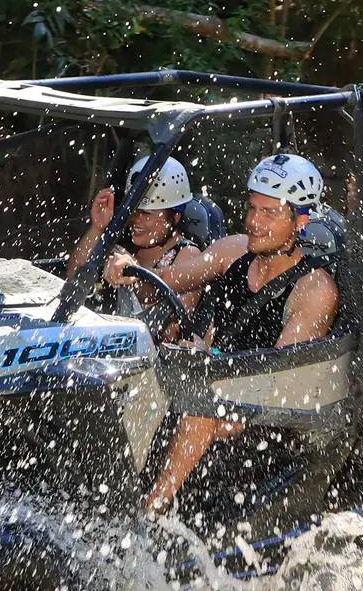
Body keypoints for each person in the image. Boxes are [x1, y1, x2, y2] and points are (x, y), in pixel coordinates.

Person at [106, 152, 339, 515]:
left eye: (269, 213)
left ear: (300, 221)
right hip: (211, 388)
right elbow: (165, 281)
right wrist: (128, 265)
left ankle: (151, 513)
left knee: (205, 404)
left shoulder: (315, 290)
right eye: (252, 208)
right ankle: (107, 490)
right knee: (138, 373)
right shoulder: (233, 250)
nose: (254, 222)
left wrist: (212, 368)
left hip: (262, 419)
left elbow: (277, 382)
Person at [67, 154, 200, 310]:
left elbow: (173, 322)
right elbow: (73, 279)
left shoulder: (187, 254)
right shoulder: (122, 243)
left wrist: (134, 272)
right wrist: (97, 228)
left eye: (146, 213)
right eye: (133, 210)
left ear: (175, 217)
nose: (135, 219)